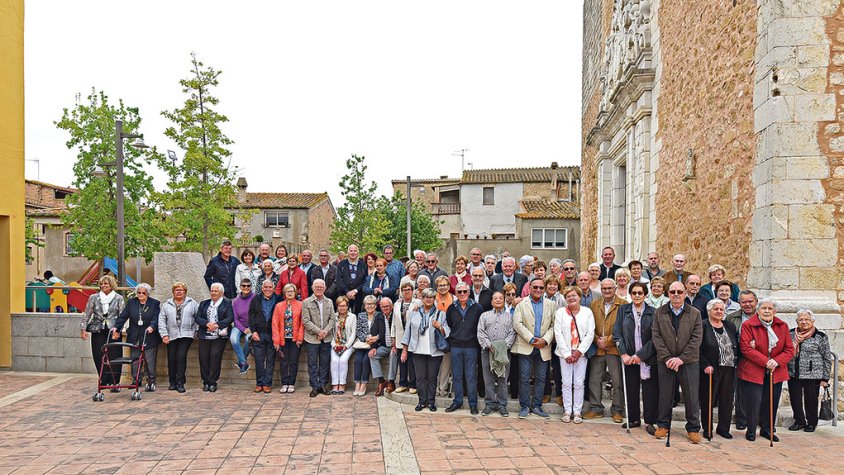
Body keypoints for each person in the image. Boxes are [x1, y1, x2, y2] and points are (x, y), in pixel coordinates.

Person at [651, 282, 703, 444]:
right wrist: (667, 358)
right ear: (668, 293)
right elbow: (656, 337)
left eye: (679, 291)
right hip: (665, 361)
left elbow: (696, 339)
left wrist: (681, 358)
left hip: (688, 361)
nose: (676, 294)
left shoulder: (695, 313)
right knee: (665, 394)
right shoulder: (660, 313)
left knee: (691, 395)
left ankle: (693, 428)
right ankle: (663, 425)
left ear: (685, 293)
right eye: (672, 291)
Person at [737, 299, 794, 442]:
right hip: (754, 370)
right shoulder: (748, 325)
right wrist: (765, 361)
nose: (767, 311)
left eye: (770, 308)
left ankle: (767, 430)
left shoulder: (782, 326)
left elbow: (789, 349)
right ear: (758, 310)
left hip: (776, 370)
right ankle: (750, 430)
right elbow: (746, 348)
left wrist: (776, 361)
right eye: (764, 308)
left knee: (772, 402)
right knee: (753, 402)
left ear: (775, 311)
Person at [612, 282, 657, 433]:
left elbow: (656, 338)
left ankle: (650, 421)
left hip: (647, 358)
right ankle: (633, 419)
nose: (637, 295)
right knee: (631, 389)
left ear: (645, 295)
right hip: (629, 357)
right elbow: (617, 333)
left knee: (650, 391)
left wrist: (641, 355)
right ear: (630, 295)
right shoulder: (623, 310)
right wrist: (623, 353)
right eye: (634, 293)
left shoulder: (653, 312)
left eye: (640, 293)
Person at [512, 277, 557, 419]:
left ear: (544, 289)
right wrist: (531, 339)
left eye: (541, 288)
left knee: (541, 377)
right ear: (529, 288)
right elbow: (517, 324)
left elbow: (554, 325)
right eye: (535, 287)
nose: (538, 290)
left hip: (543, 346)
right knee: (524, 377)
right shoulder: (521, 304)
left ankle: (537, 406)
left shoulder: (551, 304)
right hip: (526, 345)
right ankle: (524, 406)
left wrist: (545, 340)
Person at [401, 288, 450, 412]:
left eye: (431, 297)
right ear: (422, 299)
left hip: (434, 351)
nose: (429, 299)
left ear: (434, 299)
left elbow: (448, 331)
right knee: (420, 378)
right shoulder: (414, 312)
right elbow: (408, 331)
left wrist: (440, 327)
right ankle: (422, 401)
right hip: (417, 350)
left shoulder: (441, 314)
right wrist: (404, 349)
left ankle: (431, 402)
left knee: (432, 377)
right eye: (426, 297)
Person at [584, 278, 626, 422]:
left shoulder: (623, 304)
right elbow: (589, 326)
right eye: (604, 289)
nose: (607, 291)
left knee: (617, 381)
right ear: (601, 290)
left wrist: (608, 341)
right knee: (594, 379)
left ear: (615, 288)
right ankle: (596, 408)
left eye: (610, 288)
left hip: (614, 349)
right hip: (598, 349)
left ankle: (617, 410)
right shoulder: (594, 304)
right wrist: (597, 340)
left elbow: (624, 327)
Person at [555, 286, 595, 424]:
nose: (571, 298)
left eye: (574, 295)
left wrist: (579, 352)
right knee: (566, 382)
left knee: (578, 383)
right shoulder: (560, 312)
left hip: (581, 353)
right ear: (565, 299)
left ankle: (577, 411)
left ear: (579, 297)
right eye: (568, 296)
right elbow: (558, 333)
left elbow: (590, 333)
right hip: (564, 353)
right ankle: (567, 411)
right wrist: (566, 353)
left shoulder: (587, 312)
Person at [787, 309, 832, 433]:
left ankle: (811, 423)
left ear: (812, 321)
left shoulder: (820, 336)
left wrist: (825, 378)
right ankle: (799, 421)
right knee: (795, 399)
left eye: (807, 319)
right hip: (793, 372)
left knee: (811, 400)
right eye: (801, 319)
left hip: (813, 374)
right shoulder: (790, 334)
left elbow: (827, 358)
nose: (804, 322)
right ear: (797, 321)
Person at [699, 299, 739, 439]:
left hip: (729, 368)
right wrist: (705, 365)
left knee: (727, 400)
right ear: (709, 310)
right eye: (716, 309)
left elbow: (735, 345)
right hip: (711, 369)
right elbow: (698, 349)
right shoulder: (702, 325)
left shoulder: (730, 326)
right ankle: (707, 428)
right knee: (708, 400)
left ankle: (723, 428)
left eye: (721, 309)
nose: (719, 312)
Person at [111, 282, 159, 390]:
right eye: (139, 293)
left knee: (149, 359)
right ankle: (136, 379)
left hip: (149, 335)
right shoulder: (132, 302)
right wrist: (116, 327)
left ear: (148, 294)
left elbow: (156, 318)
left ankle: (151, 380)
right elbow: (123, 317)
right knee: (135, 359)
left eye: (143, 293)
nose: (141, 295)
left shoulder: (154, 303)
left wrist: (152, 326)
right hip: (134, 335)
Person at [445, 282, 483, 414]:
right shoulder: (451, 308)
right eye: (459, 292)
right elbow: (450, 324)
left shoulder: (477, 308)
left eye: (464, 291)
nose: (462, 294)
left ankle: (473, 404)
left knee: (471, 376)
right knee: (457, 376)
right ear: (456, 293)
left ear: (469, 292)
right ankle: (458, 401)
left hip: (471, 346)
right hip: (455, 346)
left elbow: (480, 326)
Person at [81, 275, 125, 391]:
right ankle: (103, 379)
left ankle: (114, 381)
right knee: (99, 354)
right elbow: (87, 314)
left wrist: (119, 330)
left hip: (113, 329)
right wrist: (83, 329)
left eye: (106, 284)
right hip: (98, 329)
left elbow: (122, 316)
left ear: (111, 285)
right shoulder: (93, 297)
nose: (103, 286)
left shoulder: (118, 298)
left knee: (115, 355)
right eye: (101, 284)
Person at [477, 290, 516, 417]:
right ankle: (489, 404)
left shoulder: (510, 317)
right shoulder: (484, 316)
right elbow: (481, 332)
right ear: (491, 302)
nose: (498, 300)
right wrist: (489, 345)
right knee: (488, 379)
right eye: (495, 298)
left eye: (501, 298)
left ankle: (502, 405)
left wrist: (503, 346)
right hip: (487, 351)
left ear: (504, 300)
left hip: (503, 352)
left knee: (502, 379)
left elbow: (512, 333)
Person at [158, 282, 199, 393]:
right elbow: (161, 321)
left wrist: (195, 331)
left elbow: (198, 318)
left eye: (181, 290)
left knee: (181, 356)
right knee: (171, 358)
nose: (179, 292)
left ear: (185, 292)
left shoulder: (192, 303)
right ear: (173, 292)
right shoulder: (166, 304)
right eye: (177, 290)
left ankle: (180, 382)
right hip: (171, 335)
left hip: (186, 334)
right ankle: (172, 382)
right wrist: (164, 335)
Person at [726, 289, 758, 430]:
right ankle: (742, 419)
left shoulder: (763, 316)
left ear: (756, 302)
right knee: (741, 390)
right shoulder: (732, 317)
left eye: (750, 301)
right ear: (739, 303)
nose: (747, 304)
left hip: (759, 358)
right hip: (739, 357)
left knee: (758, 390)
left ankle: (759, 419)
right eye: (743, 302)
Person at [196, 283, 234, 392]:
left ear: (221, 292)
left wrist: (217, 324)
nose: (213, 293)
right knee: (203, 358)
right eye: (212, 291)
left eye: (215, 291)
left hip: (219, 335)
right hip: (205, 334)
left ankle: (213, 382)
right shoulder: (204, 303)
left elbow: (230, 317)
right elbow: (198, 318)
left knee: (215, 358)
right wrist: (207, 324)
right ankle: (205, 381)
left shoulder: (227, 303)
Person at [302, 279, 336, 397]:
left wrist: (325, 331)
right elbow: (306, 321)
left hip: (326, 338)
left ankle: (323, 385)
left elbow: (332, 319)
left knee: (324, 362)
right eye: (317, 286)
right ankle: (314, 386)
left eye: (321, 287)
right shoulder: (306, 302)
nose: (319, 288)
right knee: (312, 363)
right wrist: (318, 331)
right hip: (312, 338)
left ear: (325, 288)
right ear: (312, 288)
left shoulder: (329, 302)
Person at [249, 280, 280, 393]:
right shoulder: (256, 299)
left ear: (273, 288)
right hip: (259, 333)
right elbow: (251, 316)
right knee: (259, 360)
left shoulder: (278, 299)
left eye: (270, 287)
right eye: (265, 287)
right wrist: (253, 331)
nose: (267, 289)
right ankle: (259, 383)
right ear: (262, 288)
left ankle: (267, 383)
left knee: (271, 360)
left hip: (273, 333)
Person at [273, 283, 304, 394]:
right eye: (287, 291)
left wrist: (300, 337)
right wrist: (276, 340)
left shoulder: (301, 305)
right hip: (283, 338)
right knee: (283, 361)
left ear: (295, 293)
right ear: (284, 293)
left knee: (293, 361)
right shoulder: (279, 306)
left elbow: (302, 323)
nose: (290, 293)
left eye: (292, 291)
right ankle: (284, 383)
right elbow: (275, 324)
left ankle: (291, 383)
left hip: (295, 338)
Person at [391, 283, 417, 393]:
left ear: (412, 291)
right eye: (404, 289)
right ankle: (402, 383)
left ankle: (413, 384)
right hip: (400, 336)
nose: (406, 291)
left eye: (409, 289)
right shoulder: (397, 304)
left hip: (412, 336)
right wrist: (393, 337)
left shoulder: (418, 303)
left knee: (411, 361)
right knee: (402, 361)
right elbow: (394, 322)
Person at [352, 295, 379, 396]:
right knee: (358, 360)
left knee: (366, 360)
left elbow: (382, 331)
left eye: (372, 304)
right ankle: (357, 383)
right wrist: (365, 338)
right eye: (367, 304)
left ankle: (364, 383)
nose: (369, 306)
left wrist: (374, 339)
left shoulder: (379, 315)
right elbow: (358, 331)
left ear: (375, 305)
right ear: (364, 305)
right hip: (362, 344)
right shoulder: (361, 315)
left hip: (373, 344)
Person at [330, 296, 357, 395]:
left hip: (348, 345)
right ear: (337, 306)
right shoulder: (333, 316)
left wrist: (346, 346)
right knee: (334, 360)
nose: (342, 308)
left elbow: (354, 333)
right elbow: (331, 333)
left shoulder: (353, 317)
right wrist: (333, 345)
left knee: (343, 360)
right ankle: (334, 384)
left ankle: (342, 384)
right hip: (336, 344)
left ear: (347, 306)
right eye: (340, 306)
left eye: (344, 306)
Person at [434, 275, 455, 397]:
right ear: (436, 287)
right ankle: (434, 387)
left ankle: (442, 387)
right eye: (440, 285)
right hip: (434, 335)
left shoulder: (454, 299)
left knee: (446, 362)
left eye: (445, 285)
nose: (443, 287)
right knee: (435, 363)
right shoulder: (432, 298)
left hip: (449, 335)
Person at [368, 297, 392, 396]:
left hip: (395, 346)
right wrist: (373, 347)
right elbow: (374, 331)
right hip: (384, 345)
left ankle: (391, 382)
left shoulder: (395, 314)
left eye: (387, 306)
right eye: (383, 307)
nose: (385, 308)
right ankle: (382, 381)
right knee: (372, 355)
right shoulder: (379, 316)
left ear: (391, 306)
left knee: (393, 357)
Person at [230, 278, 255, 375]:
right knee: (233, 339)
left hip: (252, 326)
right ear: (240, 287)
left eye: (248, 286)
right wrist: (243, 329)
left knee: (248, 338)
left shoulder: (255, 298)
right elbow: (235, 318)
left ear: (251, 287)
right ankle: (244, 362)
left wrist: (251, 328)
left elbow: (257, 315)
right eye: (244, 286)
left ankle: (242, 362)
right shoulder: (235, 301)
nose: (246, 287)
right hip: (239, 326)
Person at [336, 244, 366, 314]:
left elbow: (365, 280)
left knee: (357, 314)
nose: (353, 252)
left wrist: (355, 291)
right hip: (343, 295)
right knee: (342, 314)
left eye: (355, 251)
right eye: (351, 251)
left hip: (358, 295)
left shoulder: (363, 265)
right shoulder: (342, 264)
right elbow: (339, 279)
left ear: (358, 253)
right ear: (348, 253)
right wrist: (347, 292)